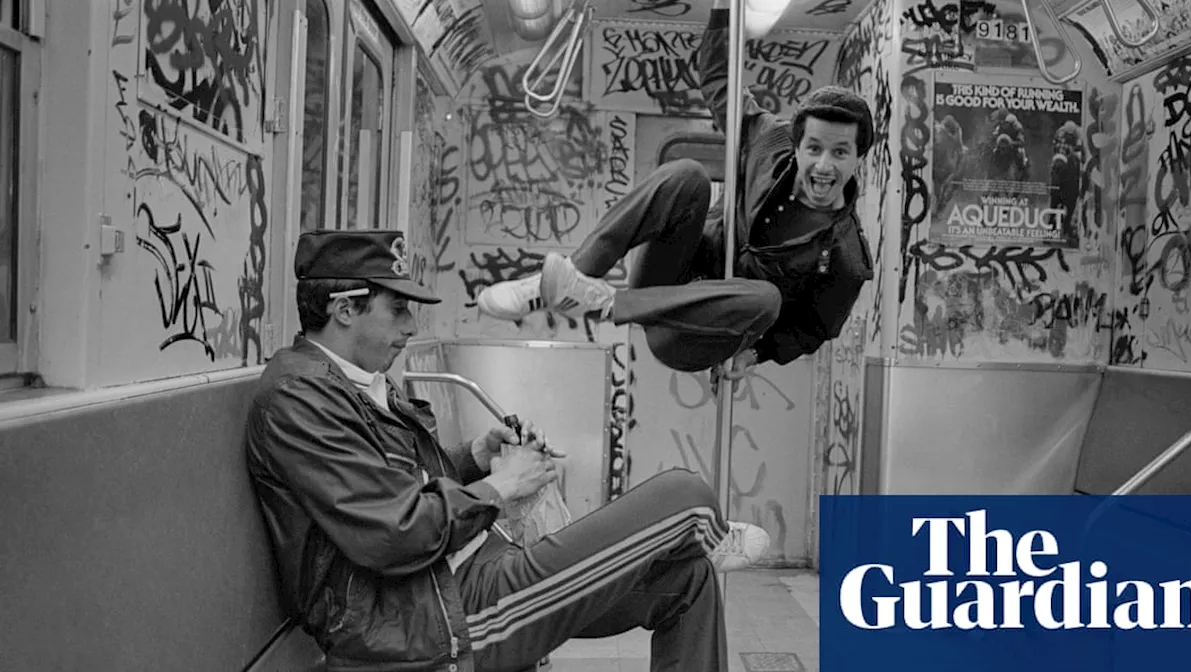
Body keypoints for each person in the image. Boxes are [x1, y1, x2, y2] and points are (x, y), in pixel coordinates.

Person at [245, 229, 770, 672]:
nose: (411, 325)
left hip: (458, 582)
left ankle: (702, 543)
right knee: (684, 493)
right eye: (398, 309)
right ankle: (709, 532)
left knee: (688, 578)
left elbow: (392, 488)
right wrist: (501, 487)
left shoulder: (355, 382)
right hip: (430, 619)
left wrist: (477, 455)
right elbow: (393, 532)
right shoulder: (300, 399)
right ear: (343, 309)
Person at [477, 1, 876, 380]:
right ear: (798, 144)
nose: (824, 166)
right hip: (668, 279)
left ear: (859, 156)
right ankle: (563, 283)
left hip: (696, 336)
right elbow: (720, 79)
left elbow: (814, 327)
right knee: (688, 174)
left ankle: (604, 303)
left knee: (767, 298)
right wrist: (722, 9)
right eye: (814, 149)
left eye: (840, 152)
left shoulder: (846, 258)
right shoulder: (771, 143)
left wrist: (755, 355)